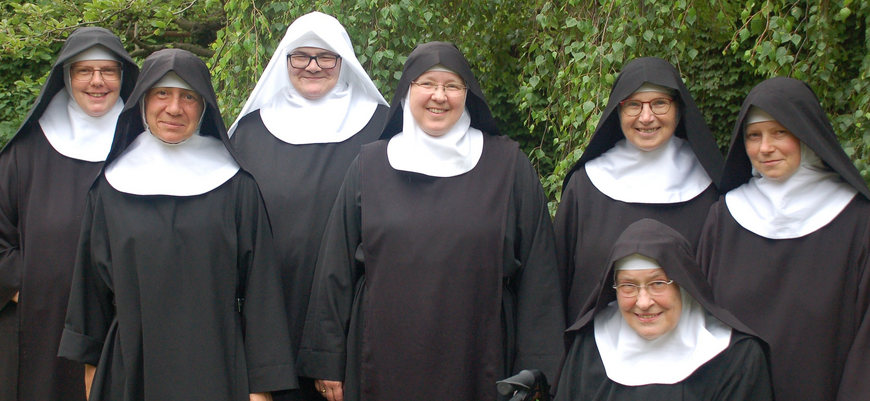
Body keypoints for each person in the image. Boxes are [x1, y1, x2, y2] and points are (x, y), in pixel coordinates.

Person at [296, 42, 564, 401]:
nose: (439, 96)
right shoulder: (371, 165)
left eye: (452, 85)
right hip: (383, 357)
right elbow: (336, 268)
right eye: (427, 83)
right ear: (408, 91)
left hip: (479, 358)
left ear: (467, 94)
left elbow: (539, 275)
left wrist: (537, 372)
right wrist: (327, 359)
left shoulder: (508, 166)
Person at [57, 49, 297, 401]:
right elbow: (90, 295)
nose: (174, 108)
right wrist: (93, 375)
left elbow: (262, 291)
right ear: (142, 101)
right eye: (162, 93)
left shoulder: (236, 185)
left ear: (204, 107)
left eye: (188, 97)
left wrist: (261, 386)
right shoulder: (111, 187)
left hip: (218, 367)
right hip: (132, 367)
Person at [229, 12, 388, 399]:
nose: (312, 66)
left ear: (344, 61)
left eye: (325, 56)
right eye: (300, 56)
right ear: (284, 60)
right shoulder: (250, 132)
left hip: (354, 323)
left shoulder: (381, 128)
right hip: (270, 318)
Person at [698, 77, 870, 400]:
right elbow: (701, 323)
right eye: (754, 135)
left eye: (780, 132)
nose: (765, 147)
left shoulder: (858, 222)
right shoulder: (724, 218)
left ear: (807, 135)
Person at [0, 27, 138, 401]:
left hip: (124, 321)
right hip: (43, 323)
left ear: (123, 76)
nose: (97, 81)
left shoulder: (141, 144)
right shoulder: (27, 151)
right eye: (84, 71)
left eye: (108, 70)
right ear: (66, 75)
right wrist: (28, 286)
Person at [554, 57, 724, 324]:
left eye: (659, 103)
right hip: (595, 346)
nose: (646, 117)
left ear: (678, 109)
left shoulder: (709, 190)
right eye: (633, 105)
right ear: (618, 111)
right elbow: (556, 280)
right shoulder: (584, 186)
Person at [555, 219, 772, 400]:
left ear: (684, 286)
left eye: (657, 283)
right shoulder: (589, 346)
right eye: (628, 286)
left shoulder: (736, 358)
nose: (643, 302)